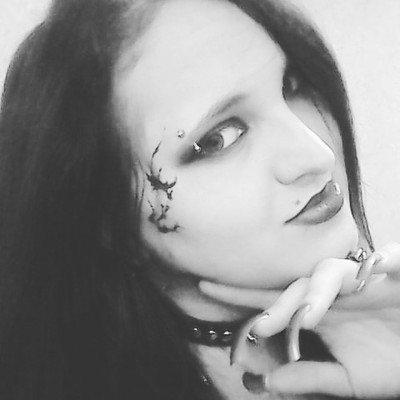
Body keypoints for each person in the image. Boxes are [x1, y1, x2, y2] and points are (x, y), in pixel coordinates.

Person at [1, 0, 400, 399]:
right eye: (218, 140)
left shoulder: (378, 330)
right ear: (111, 224)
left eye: (293, 86)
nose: (318, 156)